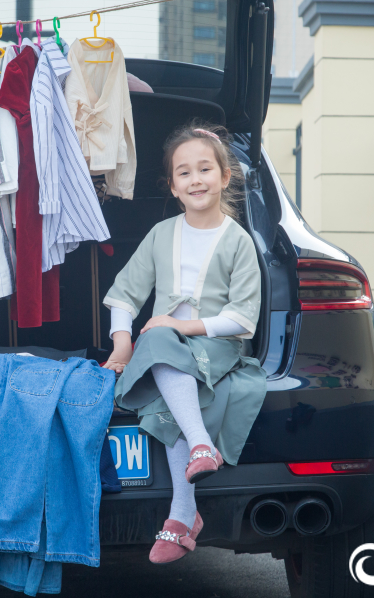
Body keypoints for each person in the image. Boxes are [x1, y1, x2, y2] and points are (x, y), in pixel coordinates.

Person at [102, 121, 268, 564]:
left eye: (205, 169)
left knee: (159, 345)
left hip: (216, 348)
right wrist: (121, 346)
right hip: (167, 352)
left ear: (225, 177)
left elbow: (241, 319)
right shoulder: (162, 234)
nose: (196, 179)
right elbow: (124, 294)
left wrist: (180, 327)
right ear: (173, 187)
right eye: (184, 173)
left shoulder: (238, 241)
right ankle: (196, 463)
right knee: (158, 347)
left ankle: (183, 508)